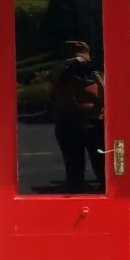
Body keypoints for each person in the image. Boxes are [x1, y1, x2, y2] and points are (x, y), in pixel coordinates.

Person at [48, 39, 105, 190]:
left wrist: (93, 71)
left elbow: (107, 93)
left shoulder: (95, 75)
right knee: (74, 168)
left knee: (101, 165)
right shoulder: (60, 76)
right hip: (68, 124)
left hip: (94, 124)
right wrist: (69, 64)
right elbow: (51, 77)